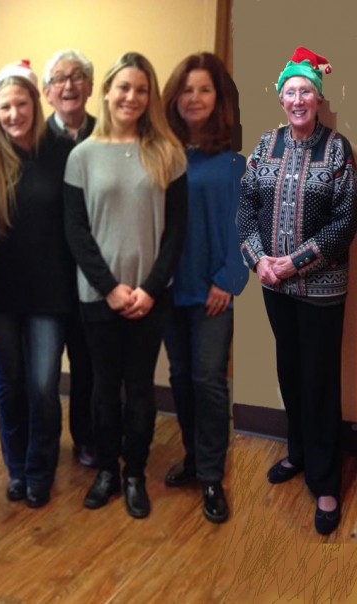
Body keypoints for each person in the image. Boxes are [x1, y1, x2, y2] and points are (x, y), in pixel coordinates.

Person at [237, 47, 357, 536]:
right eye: (291, 91)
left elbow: (346, 220)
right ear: (281, 99)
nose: (298, 99)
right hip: (275, 287)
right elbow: (245, 207)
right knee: (289, 368)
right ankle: (300, 453)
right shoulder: (264, 146)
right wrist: (259, 260)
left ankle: (326, 481)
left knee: (320, 378)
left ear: (319, 97)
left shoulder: (338, 149)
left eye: (306, 90)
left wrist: (296, 261)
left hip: (322, 287)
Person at [64, 52, 188, 520]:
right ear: (108, 92)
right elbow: (76, 232)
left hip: (151, 296)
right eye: (124, 88)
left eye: (141, 89)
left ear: (149, 97)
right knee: (101, 386)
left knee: (139, 388)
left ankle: (134, 471)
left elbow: (176, 231)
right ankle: (105, 472)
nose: (132, 97)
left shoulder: (168, 153)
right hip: (98, 295)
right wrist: (111, 288)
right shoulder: (82, 156)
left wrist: (150, 289)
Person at [0, 60, 74, 508]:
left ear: (36, 104)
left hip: (49, 295)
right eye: (5, 107)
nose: (14, 113)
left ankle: (40, 470)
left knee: (41, 386)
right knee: (9, 385)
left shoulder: (62, 150)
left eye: (21, 104)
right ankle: (16, 470)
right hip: (1, 296)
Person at [162, 52, 248, 524]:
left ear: (218, 100)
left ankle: (213, 476)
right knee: (180, 378)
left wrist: (229, 281)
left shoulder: (233, 161)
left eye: (204, 90)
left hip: (214, 290)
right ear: (175, 98)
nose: (195, 98)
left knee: (209, 381)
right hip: (170, 289)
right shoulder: (163, 154)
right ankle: (194, 457)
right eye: (187, 90)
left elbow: (244, 227)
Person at [43, 49, 98, 468]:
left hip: (93, 274)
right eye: (59, 78)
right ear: (46, 92)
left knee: (88, 366)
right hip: (47, 275)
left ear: (91, 86)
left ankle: (87, 439)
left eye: (77, 76)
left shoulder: (108, 134)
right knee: (42, 376)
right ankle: (41, 447)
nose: (68, 85)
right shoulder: (35, 140)